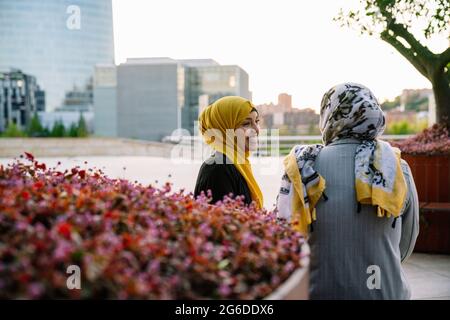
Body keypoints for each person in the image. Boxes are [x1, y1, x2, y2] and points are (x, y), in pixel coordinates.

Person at [276, 83, 419, 299]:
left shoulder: (301, 168)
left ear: (328, 115)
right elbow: (406, 243)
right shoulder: (396, 167)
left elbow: (285, 238)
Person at [194, 96, 264, 209]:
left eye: (256, 121)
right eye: (246, 124)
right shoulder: (218, 168)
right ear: (225, 128)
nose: (256, 129)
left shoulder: (237, 163)